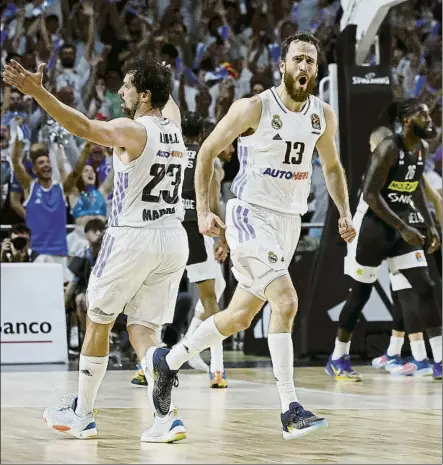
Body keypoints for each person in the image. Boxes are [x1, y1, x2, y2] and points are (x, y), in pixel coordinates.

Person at [144, 32, 356, 440]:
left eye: (311, 61)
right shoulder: (253, 107)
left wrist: (344, 211)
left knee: (240, 315)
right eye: (298, 59)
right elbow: (205, 152)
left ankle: (169, 361)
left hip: (289, 222)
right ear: (282, 64)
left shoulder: (322, 115)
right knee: (287, 300)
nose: (305, 67)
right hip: (249, 215)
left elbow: (331, 167)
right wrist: (205, 211)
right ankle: (290, 408)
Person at [3, 56, 190, 442]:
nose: (121, 92)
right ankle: (166, 417)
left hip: (132, 235)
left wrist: (37, 91)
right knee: (143, 331)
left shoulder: (133, 129)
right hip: (173, 237)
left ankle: (83, 414)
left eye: (127, 87)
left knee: (98, 319)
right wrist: (159, 69)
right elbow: (168, 96)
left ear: (145, 95)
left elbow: (83, 126)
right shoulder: (174, 124)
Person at [325, 99, 442, 382]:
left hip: (402, 231)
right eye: (422, 114)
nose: (428, 119)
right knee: (360, 295)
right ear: (405, 120)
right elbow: (370, 195)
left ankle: (439, 361)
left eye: (429, 114)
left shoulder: (421, 149)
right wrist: (403, 227)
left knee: (425, 287)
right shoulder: (389, 148)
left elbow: (414, 191)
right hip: (374, 231)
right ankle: (338, 356)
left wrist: (429, 226)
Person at [180, 111, 229, 387]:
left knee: (217, 284)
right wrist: (224, 237)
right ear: (202, 135)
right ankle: (218, 367)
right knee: (211, 300)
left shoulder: (170, 152)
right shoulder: (207, 156)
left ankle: (187, 347)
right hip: (195, 229)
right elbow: (213, 201)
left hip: (169, 228)